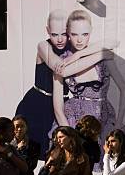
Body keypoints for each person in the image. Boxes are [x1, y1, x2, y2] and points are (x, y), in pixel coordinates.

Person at [16, 9, 116, 159]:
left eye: (64, 34)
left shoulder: (73, 46)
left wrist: (80, 54)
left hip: (61, 102)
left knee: (57, 151)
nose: (60, 39)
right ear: (48, 31)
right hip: (37, 103)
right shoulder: (43, 46)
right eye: (54, 34)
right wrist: (100, 55)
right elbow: (60, 68)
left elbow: (111, 44)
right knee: (31, 152)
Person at [51, 10, 125, 158]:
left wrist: (119, 123)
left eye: (84, 34)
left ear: (91, 32)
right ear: (67, 33)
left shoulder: (103, 58)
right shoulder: (62, 61)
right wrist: (69, 133)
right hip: (74, 117)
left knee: (105, 163)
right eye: (74, 34)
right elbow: (57, 105)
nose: (79, 40)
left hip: (103, 117)